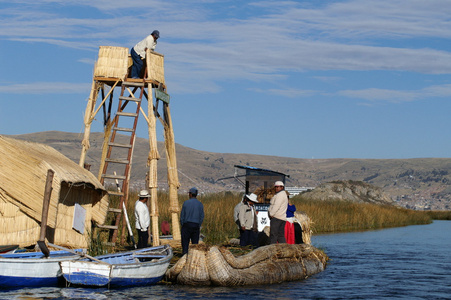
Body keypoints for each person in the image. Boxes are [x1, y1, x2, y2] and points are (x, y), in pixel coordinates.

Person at [180, 187, 204, 255]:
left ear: (190, 194)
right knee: (195, 245)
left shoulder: (186, 203)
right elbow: (202, 216)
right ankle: (194, 258)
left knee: (185, 244)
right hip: (196, 225)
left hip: (186, 225)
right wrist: (198, 225)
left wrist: (183, 225)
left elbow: (182, 216)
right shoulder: (200, 204)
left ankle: (184, 257)